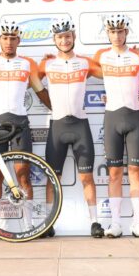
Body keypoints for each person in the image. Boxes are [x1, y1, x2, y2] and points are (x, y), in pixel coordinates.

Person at [0, 19, 51, 238]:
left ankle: (28, 226)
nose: (9, 42)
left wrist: (59, 108)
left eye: (13, 38)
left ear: (19, 40)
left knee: (23, 175)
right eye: (5, 38)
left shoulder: (27, 64)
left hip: (20, 122)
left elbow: (40, 91)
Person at [39, 18, 105, 238]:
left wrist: (134, 54)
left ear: (74, 37)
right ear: (54, 39)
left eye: (67, 36)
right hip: (57, 126)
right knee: (52, 178)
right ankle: (48, 222)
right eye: (60, 37)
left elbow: (113, 71)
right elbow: (24, 77)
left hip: (80, 125)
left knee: (87, 177)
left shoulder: (85, 63)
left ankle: (94, 222)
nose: (64, 40)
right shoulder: (47, 64)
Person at [93, 13, 139, 238]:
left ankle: (137, 223)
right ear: (107, 33)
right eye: (112, 32)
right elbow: (75, 65)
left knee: (136, 171)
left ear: (126, 32)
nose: (116, 35)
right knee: (114, 173)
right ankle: (115, 223)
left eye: (120, 31)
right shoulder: (101, 56)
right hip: (112, 118)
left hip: (135, 116)